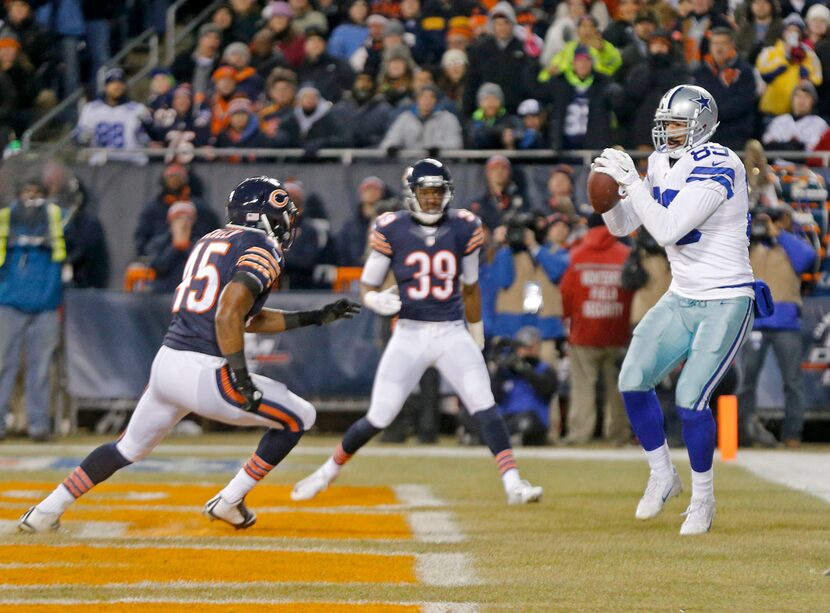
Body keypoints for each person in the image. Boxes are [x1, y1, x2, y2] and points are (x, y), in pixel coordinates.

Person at [17, 176, 361, 533]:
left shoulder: (210, 238)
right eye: (282, 212)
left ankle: (44, 511)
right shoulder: (262, 247)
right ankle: (229, 500)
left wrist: (313, 317)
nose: (288, 221)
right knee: (300, 416)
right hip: (205, 371)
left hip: (168, 363)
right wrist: (240, 376)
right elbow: (228, 313)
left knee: (127, 449)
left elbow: (241, 315)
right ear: (262, 214)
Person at [292, 158, 543, 505]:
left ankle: (513, 483)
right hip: (410, 333)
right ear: (412, 193)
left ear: (448, 193)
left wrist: (476, 331)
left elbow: (471, 287)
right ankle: (326, 473)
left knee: (484, 405)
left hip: (451, 330)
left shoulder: (465, 226)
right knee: (379, 416)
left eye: (438, 192)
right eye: (425, 192)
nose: (431, 199)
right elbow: (366, 285)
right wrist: (375, 300)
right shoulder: (390, 227)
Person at [592, 84, 756, 535]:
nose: (668, 133)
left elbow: (666, 229)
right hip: (683, 294)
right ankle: (663, 476)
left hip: (726, 296)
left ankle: (703, 500)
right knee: (632, 378)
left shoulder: (722, 163)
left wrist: (629, 182)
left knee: (690, 397)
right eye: (664, 125)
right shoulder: (662, 161)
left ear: (702, 125)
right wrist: (607, 198)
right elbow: (628, 224)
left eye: (678, 125)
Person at [738, 207, 815, 448]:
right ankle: (745, 432)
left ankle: (792, 433)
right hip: (756, 321)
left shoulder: (792, 245)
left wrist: (778, 234)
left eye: (772, 220)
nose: (767, 224)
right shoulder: (750, 246)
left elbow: (807, 259)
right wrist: (751, 232)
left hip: (787, 324)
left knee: (792, 381)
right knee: (746, 381)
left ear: (783, 222)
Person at [0, 178, 67, 442]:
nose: (31, 199)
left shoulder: (55, 219)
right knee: (4, 365)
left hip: (46, 305)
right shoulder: (7, 219)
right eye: (26, 193)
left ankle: (39, 425)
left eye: (36, 194)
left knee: (40, 369)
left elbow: (78, 233)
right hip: (9, 303)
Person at [560, 214, 633, 446]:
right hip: (618, 332)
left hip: (583, 333)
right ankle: (618, 434)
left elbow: (566, 295)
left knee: (582, 387)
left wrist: (569, 322)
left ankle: (579, 434)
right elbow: (632, 293)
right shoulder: (625, 256)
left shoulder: (576, 256)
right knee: (618, 389)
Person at [489, 326, 558, 446]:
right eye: (522, 347)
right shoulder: (506, 371)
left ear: (538, 347)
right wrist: (500, 369)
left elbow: (546, 389)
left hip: (532, 419)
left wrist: (523, 368)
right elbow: (494, 397)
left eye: (529, 347)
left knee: (527, 422)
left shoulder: (545, 370)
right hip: (507, 417)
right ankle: (501, 437)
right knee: (478, 417)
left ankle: (500, 438)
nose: (525, 350)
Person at [692, 28, 758, 151]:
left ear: (732, 45)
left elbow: (744, 102)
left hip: (736, 135)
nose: (719, 48)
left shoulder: (745, 71)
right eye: (715, 43)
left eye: (723, 43)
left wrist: (714, 113)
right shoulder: (701, 72)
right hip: (706, 135)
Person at [75, 68, 152, 166]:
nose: (117, 86)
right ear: (105, 86)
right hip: (101, 164)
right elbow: (79, 136)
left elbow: (149, 138)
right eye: (112, 82)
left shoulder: (138, 109)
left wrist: (148, 128)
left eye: (120, 82)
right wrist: (82, 137)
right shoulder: (91, 108)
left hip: (132, 163)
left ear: (125, 86)